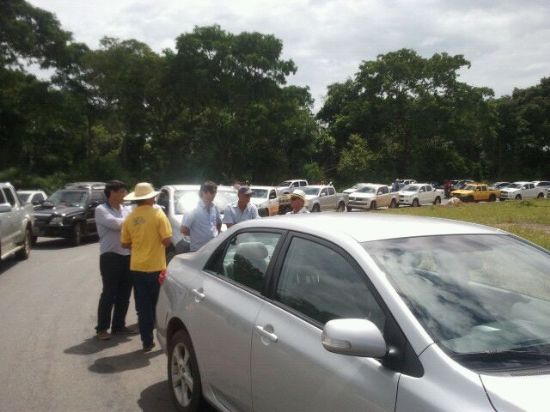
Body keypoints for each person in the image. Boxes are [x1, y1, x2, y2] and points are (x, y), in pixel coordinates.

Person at [121, 182, 172, 352]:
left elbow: (124, 243)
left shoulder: (130, 217)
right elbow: (167, 240)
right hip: (157, 267)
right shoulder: (159, 214)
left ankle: (146, 341)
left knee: (143, 307)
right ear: (150, 198)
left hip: (137, 267)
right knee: (159, 305)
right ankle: (163, 339)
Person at [95, 180, 137, 340]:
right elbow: (116, 224)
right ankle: (102, 328)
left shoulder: (126, 209)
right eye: (122, 191)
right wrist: (134, 221)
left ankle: (119, 325)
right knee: (109, 293)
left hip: (127, 255)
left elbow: (130, 225)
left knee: (124, 293)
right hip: (110, 256)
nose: (124, 195)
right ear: (112, 192)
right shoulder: (101, 209)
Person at [180, 181, 222, 252]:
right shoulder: (193, 209)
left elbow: (218, 223)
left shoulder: (215, 208)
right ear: (203, 192)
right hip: (198, 250)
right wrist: (197, 235)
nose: (212, 195)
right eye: (210, 192)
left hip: (213, 249)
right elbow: (184, 229)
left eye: (214, 192)